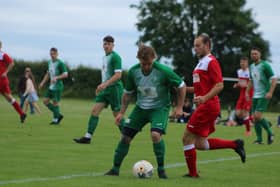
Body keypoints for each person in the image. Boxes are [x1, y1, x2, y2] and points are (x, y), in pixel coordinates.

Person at [105, 45, 186, 179]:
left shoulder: (163, 71)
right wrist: (121, 113)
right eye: (143, 64)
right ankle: (115, 169)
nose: (146, 67)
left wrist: (179, 107)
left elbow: (181, 86)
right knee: (125, 137)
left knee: (155, 135)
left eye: (149, 64)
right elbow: (127, 94)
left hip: (159, 109)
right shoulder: (133, 72)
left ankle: (161, 170)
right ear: (138, 60)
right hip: (141, 109)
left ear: (154, 59)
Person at [182, 33, 245, 178]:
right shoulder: (201, 62)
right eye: (194, 46)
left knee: (186, 138)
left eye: (198, 45)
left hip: (208, 106)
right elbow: (199, 89)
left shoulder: (211, 61)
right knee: (198, 143)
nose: (195, 48)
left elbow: (219, 85)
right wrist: (181, 88)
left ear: (207, 46)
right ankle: (235, 144)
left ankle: (193, 174)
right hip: (206, 105)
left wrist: (204, 98)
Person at [74, 35, 124, 144]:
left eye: (109, 44)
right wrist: (101, 86)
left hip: (114, 89)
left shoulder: (116, 57)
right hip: (105, 89)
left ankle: (126, 135)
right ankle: (88, 137)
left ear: (113, 45)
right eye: (105, 44)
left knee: (116, 114)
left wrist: (105, 84)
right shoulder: (104, 57)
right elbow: (106, 75)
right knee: (94, 111)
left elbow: (118, 75)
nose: (106, 46)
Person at [246, 47, 277, 144]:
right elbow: (251, 81)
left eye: (255, 54)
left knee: (257, 116)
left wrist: (270, 92)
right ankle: (259, 139)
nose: (253, 55)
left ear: (260, 55)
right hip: (255, 95)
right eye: (252, 54)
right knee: (255, 118)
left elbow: (274, 79)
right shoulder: (251, 66)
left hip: (264, 94)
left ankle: (270, 132)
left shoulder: (265, 65)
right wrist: (247, 92)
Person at [39, 47, 68, 124]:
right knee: (45, 101)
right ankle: (58, 115)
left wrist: (56, 77)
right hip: (51, 86)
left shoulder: (60, 63)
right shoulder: (49, 62)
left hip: (58, 86)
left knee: (55, 103)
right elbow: (48, 74)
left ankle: (55, 120)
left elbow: (65, 74)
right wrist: (42, 82)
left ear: (57, 54)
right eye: (51, 54)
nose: (52, 55)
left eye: (54, 54)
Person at [0, 40, 26, 123]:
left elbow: (11, 63)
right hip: (3, 80)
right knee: (9, 98)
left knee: (9, 98)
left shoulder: (3, 54)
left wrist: (5, 72)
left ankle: (21, 113)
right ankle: (21, 113)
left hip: (1, 79)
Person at [227, 57, 253, 136]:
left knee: (245, 113)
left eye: (244, 62)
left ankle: (248, 131)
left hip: (248, 94)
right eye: (241, 62)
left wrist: (243, 85)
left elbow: (250, 84)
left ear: (247, 63)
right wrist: (237, 85)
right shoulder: (239, 71)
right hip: (242, 94)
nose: (242, 64)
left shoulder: (250, 72)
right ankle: (253, 119)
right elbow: (241, 82)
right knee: (238, 113)